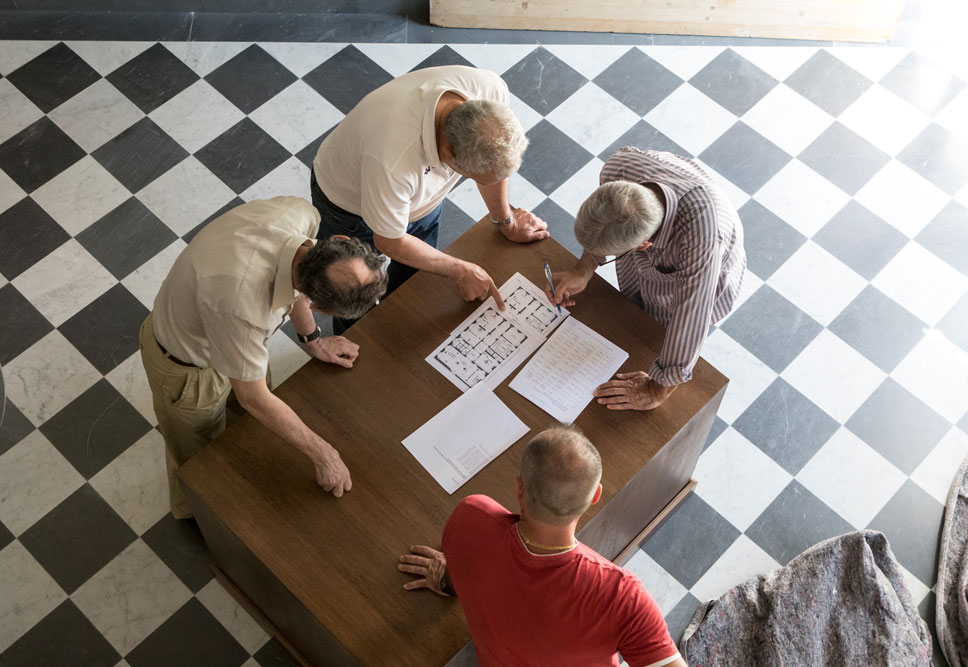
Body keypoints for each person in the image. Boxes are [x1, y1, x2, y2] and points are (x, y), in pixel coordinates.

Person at [139, 196, 388, 519]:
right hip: (187, 367)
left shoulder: (300, 217)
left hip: (224, 331)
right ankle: (201, 516)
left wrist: (313, 339)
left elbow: (301, 275)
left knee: (250, 429)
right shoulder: (244, 308)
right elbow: (253, 397)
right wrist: (324, 454)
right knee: (200, 460)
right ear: (322, 308)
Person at [398, 426, 686, 667]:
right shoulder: (621, 598)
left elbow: (465, 571)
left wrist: (449, 578)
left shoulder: (471, 517)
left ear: (519, 487)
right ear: (595, 495)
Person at [311, 64, 549, 312]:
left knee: (414, 277)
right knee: (353, 292)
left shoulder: (489, 92)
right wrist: (460, 270)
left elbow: (493, 167)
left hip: (415, 198)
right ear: (449, 155)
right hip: (348, 207)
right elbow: (390, 240)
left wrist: (506, 222)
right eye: (476, 177)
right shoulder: (393, 160)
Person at [546, 147, 745, 411]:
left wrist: (657, 390)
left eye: (608, 253)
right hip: (656, 243)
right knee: (635, 316)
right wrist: (584, 269)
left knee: (658, 333)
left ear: (644, 245)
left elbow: (691, 318)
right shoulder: (618, 169)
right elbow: (602, 227)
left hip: (706, 270)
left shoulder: (702, 242)